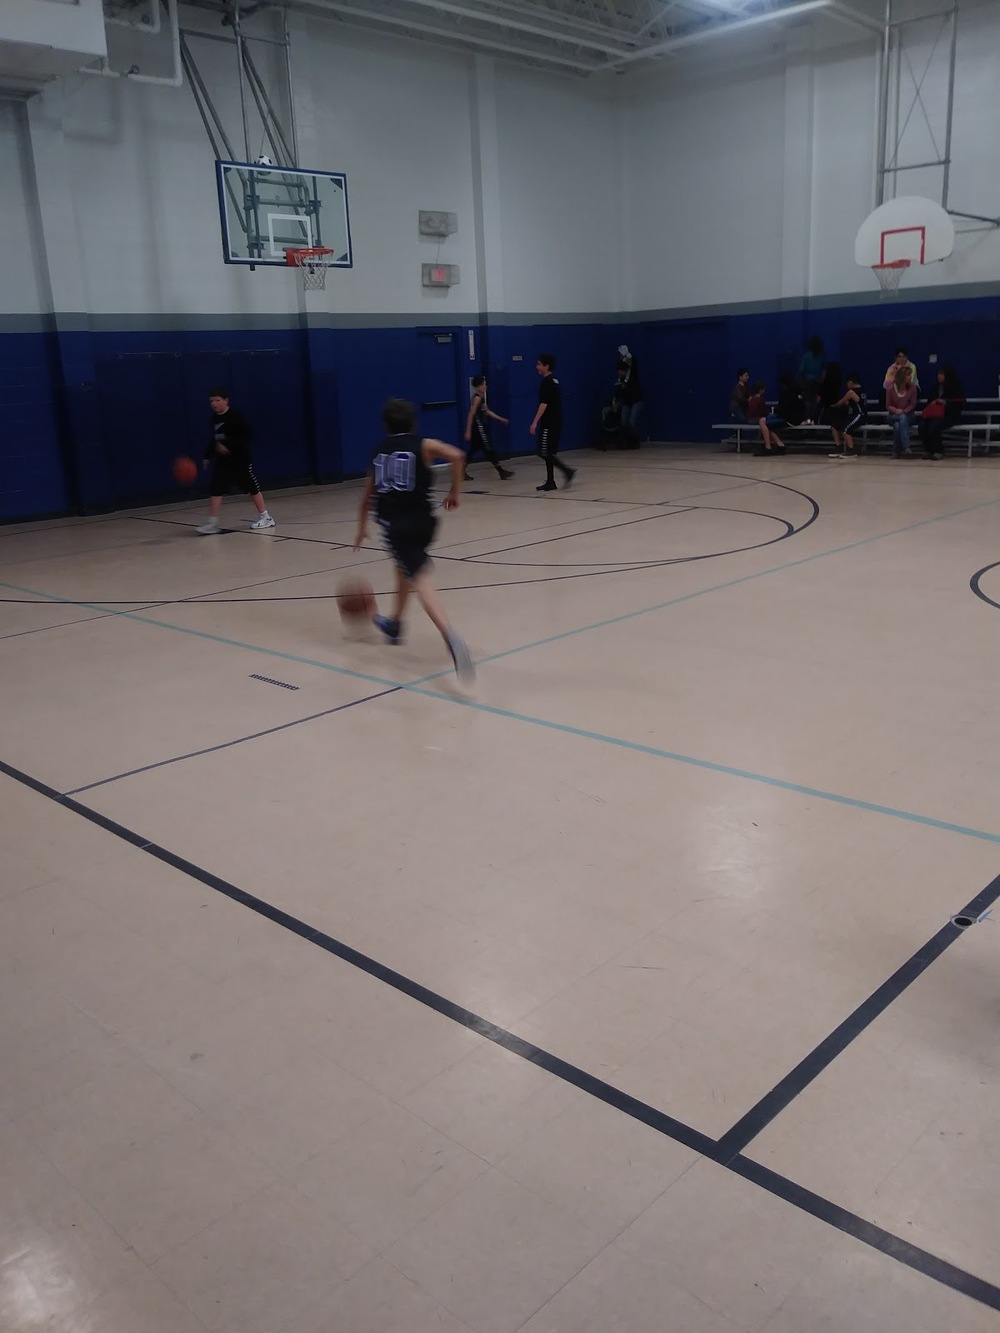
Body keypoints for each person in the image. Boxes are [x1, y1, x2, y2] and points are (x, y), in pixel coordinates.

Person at [352, 398, 473, 681]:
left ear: (385, 425)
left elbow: (367, 496)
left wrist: (361, 527)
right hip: (426, 523)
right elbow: (457, 455)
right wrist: (455, 492)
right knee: (404, 566)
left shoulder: (378, 451)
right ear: (414, 423)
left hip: (397, 526)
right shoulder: (424, 444)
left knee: (419, 577)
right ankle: (395, 624)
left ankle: (450, 636)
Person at [198, 389, 275, 534]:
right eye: (211, 401)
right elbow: (215, 439)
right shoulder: (215, 418)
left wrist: (229, 445)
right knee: (216, 488)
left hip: (240, 459)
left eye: (217, 400)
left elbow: (249, 435)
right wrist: (208, 456)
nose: (214, 404)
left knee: (251, 487)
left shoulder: (235, 415)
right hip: (223, 461)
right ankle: (212, 523)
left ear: (226, 400)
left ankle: (266, 517)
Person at [530, 353, 576, 491]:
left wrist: (534, 422)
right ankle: (551, 481)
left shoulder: (547, 383)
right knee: (547, 451)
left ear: (546, 366)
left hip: (549, 423)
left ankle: (566, 471)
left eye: (539, 364)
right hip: (556, 421)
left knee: (543, 451)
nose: (537, 366)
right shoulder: (554, 381)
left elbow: (544, 404)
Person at [464, 375, 514, 480]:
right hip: (478, 429)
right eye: (483, 384)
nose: (485, 386)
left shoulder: (482, 398)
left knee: (474, 450)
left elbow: (487, 411)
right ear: (477, 387)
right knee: (489, 449)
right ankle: (501, 471)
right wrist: (468, 431)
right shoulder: (477, 398)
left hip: (480, 428)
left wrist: (501, 419)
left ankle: (461, 470)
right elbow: (471, 414)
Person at [920, 364, 966, 460]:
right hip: (934, 415)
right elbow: (929, 401)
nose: (939, 376)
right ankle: (928, 450)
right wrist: (933, 402)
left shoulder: (956, 387)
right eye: (938, 374)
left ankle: (938, 450)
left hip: (949, 416)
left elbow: (960, 403)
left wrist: (945, 402)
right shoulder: (935, 387)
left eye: (942, 374)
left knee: (934, 427)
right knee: (922, 426)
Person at [827, 372, 867, 460]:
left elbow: (840, 403)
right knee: (834, 425)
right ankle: (839, 447)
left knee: (845, 430)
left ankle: (851, 450)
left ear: (850, 382)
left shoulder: (851, 392)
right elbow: (855, 401)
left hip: (859, 415)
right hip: (853, 415)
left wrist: (833, 406)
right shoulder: (862, 390)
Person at [614, 344, 643, 447]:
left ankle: (635, 442)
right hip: (627, 401)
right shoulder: (621, 379)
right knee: (623, 422)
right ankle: (626, 442)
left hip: (636, 400)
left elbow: (633, 364)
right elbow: (620, 390)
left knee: (631, 422)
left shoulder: (632, 372)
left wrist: (628, 360)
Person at [886, 365, 917, 458]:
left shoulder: (913, 388)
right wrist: (896, 410)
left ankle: (896, 451)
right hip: (893, 416)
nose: (910, 377)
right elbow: (888, 405)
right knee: (900, 419)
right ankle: (906, 446)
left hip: (909, 416)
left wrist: (904, 411)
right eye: (908, 375)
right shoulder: (890, 389)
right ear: (902, 377)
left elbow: (913, 404)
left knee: (897, 425)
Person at [748, 380, 785, 455]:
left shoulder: (752, 399)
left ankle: (778, 444)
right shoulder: (759, 400)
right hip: (757, 419)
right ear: (760, 390)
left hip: (752, 418)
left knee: (768, 426)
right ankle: (771, 446)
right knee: (766, 423)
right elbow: (763, 412)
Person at [797, 336, 825, 422]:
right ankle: (816, 420)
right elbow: (823, 370)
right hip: (818, 384)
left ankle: (808, 420)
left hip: (807, 383)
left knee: (808, 402)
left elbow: (801, 371)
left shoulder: (806, 356)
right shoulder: (821, 356)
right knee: (816, 402)